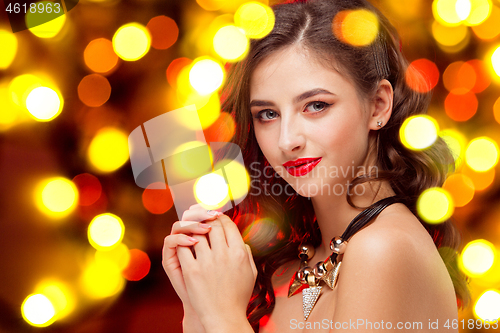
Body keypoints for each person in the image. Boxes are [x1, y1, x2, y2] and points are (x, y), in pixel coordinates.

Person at [162, 0, 470, 332]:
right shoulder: (296, 261)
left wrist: (222, 315)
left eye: (316, 105)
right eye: (268, 113)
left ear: (379, 105)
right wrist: (197, 304)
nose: (286, 140)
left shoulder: (382, 248)